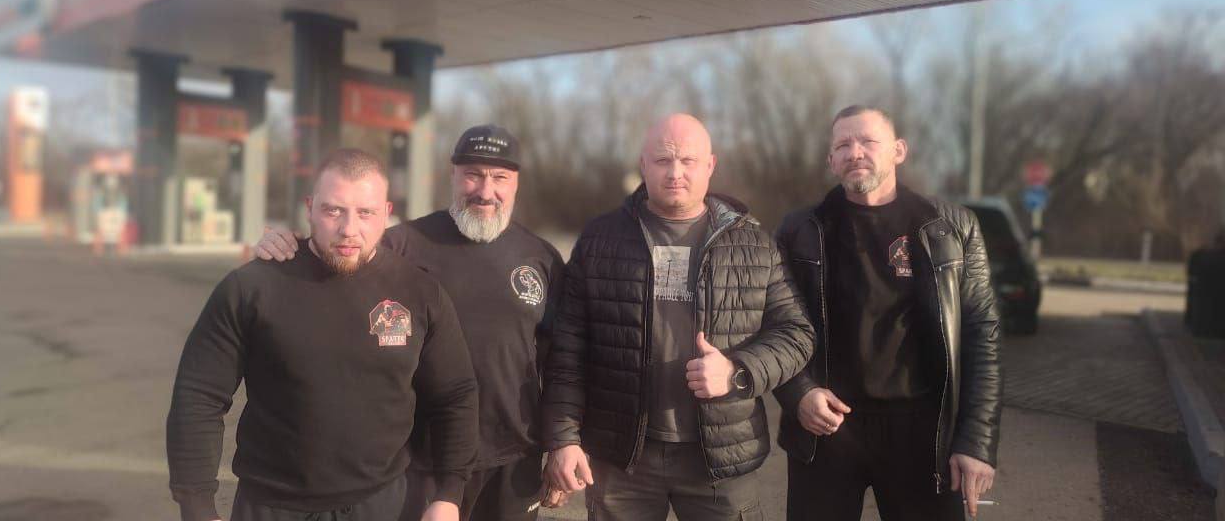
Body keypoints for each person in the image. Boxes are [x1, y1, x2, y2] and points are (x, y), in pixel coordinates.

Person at [253, 126, 565, 520]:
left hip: (514, 458)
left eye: (499, 177)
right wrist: (289, 245)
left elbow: (562, 364)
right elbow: (336, 253)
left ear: (516, 182)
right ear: (452, 175)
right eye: (472, 174)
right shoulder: (401, 244)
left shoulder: (542, 258)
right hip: (417, 459)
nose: (486, 191)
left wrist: (563, 444)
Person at [167, 149, 478, 521]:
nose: (349, 229)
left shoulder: (420, 292)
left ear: (386, 213)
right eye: (333, 210)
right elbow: (199, 396)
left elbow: (455, 394)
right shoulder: (252, 288)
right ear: (310, 208)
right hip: (273, 505)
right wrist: (197, 507)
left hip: (384, 505)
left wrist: (449, 493)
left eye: (365, 213)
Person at [541, 113, 815, 520]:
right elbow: (568, 348)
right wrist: (564, 438)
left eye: (688, 160)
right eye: (663, 160)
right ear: (643, 165)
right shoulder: (600, 240)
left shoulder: (753, 243)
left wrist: (737, 370)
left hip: (721, 458)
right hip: (621, 459)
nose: (675, 173)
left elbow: (796, 333)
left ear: (710, 165)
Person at [773, 105, 1002, 520]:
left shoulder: (952, 228)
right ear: (831, 160)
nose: (855, 152)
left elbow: (981, 335)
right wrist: (798, 393)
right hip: (826, 426)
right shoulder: (799, 230)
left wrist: (976, 442)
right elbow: (776, 325)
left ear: (898, 150)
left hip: (923, 432)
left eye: (867, 141)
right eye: (843, 145)